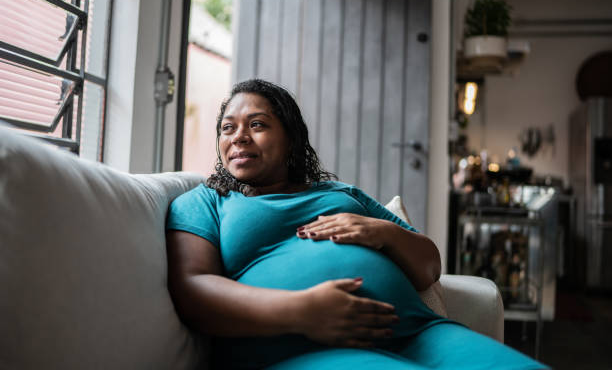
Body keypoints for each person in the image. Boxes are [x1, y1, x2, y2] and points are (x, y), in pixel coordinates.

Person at [165, 79, 547, 369]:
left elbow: (430, 266)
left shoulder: (340, 193)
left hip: (418, 331)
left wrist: (383, 232)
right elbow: (193, 289)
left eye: (257, 124)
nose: (238, 137)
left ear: (292, 139)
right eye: (227, 128)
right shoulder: (206, 202)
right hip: (301, 343)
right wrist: (302, 310)